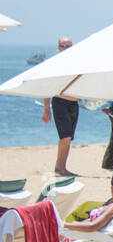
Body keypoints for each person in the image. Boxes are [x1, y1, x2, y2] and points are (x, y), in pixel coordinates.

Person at [40, 38, 78, 176]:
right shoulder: (54, 64)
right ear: (59, 47)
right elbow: (47, 88)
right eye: (64, 46)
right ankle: (60, 167)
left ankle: (61, 165)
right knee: (65, 136)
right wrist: (46, 109)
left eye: (69, 46)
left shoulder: (77, 63)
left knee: (69, 138)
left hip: (74, 103)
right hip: (60, 102)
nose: (67, 49)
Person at [61, 172, 113, 238]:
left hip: (79, 236)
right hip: (78, 231)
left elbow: (92, 227)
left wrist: (63, 225)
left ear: (112, 189)